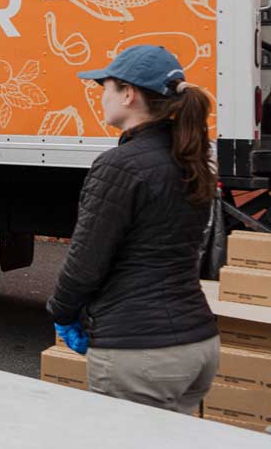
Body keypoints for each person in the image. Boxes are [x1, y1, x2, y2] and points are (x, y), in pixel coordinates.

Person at [47, 45, 218, 414]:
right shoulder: (191, 159)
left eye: (104, 86)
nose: (101, 96)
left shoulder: (119, 166)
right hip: (198, 346)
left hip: (140, 355)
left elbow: (85, 262)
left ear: (129, 93)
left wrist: (62, 312)